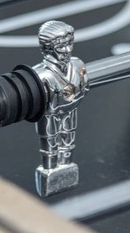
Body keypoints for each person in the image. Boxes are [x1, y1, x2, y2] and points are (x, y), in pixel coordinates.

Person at [33, 20, 88, 196]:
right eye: (61, 46)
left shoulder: (78, 64)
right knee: (49, 143)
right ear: (47, 48)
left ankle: (67, 166)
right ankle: (49, 169)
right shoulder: (40, 74)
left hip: (72, 108)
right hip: (49, 114)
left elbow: (84, 86)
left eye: (69, 43)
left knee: (68, 140)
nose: (67, 50)